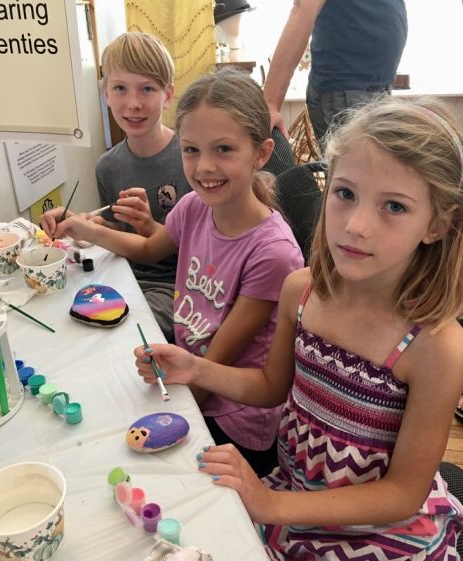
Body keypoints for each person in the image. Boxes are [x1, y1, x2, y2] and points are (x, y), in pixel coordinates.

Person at [134, 96, 463, 559]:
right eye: (345, 194)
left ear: (437, 224)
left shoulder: (436, 347)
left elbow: (402, 494)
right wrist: (195, 369)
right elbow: (272, 386)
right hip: (292, 494)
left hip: (379, 531)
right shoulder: (301, 292)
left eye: (394, 206)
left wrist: (272, 504)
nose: (356, 226)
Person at [42, 69, 304, 477]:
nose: (204, 167)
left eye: (223, 149)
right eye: (191, 150)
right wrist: (82, 226)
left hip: (234, 417)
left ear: (262, 152)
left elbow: (220, 358)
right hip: (187, 379)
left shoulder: (273, 254)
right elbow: (149, 247)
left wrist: (158, 413)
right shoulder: (195, 207)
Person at [41, 32, 190, 343]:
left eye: (147, 89)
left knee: (118, 339)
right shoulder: (107, 166)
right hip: (122, 275)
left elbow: (200, 245)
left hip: (179, 286)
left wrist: (148, 226)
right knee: (62, 319)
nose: (133, 104)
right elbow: (116, 229)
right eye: (120, 88)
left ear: (167, 94)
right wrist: (87, 223)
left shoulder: (190, 157)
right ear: (105, 92)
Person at [263, 0, 407, 147]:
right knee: (358, 168)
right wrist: (271, 103)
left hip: (374, 89)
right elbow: (303, 10)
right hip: (345, 91)